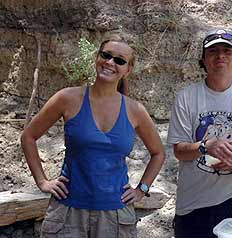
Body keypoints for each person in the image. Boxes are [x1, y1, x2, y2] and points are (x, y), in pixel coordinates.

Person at [21, 31, 165, 238]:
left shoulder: (135, 111)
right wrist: (42, 181)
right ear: (97, 57)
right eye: (105, 55)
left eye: (119, 60)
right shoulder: (67, 98)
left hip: (115, 215)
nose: (110, 62)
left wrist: (141, 189)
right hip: (68, 211)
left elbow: (158, 153)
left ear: (128, 69)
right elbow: (28, 137)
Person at [167, 28, 232, 238]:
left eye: (227, 51)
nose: (220, 56)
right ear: (203, 60)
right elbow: (179, 151)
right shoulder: (186, 97)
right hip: (192, 201)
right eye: (213, 51)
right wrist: (206, 146)